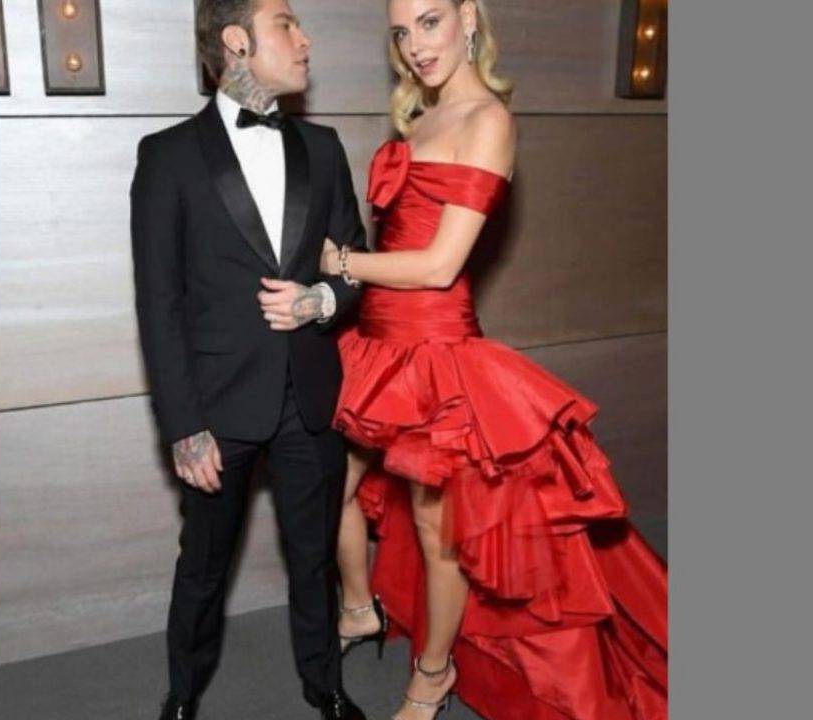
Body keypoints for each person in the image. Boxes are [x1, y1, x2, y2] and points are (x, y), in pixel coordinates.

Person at [316, 1, 669, 719]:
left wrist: (341, 263)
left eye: (430, 22)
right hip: (375, 347)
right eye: (401, 32)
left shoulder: (488, 121)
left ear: (468, 18)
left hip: (436, 356)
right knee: (326, 486)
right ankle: (358, 607)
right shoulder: (421, 118)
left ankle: (433, 673)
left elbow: (441, 266)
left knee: (436, 529)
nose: (416, 46)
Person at [129, 1, 370, 718]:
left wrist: (320, 301)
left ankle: (325, 686)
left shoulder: (324, 147)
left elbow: (353, 265)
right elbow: (159, 304)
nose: (304, 39)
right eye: (286, 24)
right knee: (203, 567)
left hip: (308, 396)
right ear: (236, 41)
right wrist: (183, 425)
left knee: (314, 558)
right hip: (215, 407)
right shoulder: (168, 156)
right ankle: (182, 696)